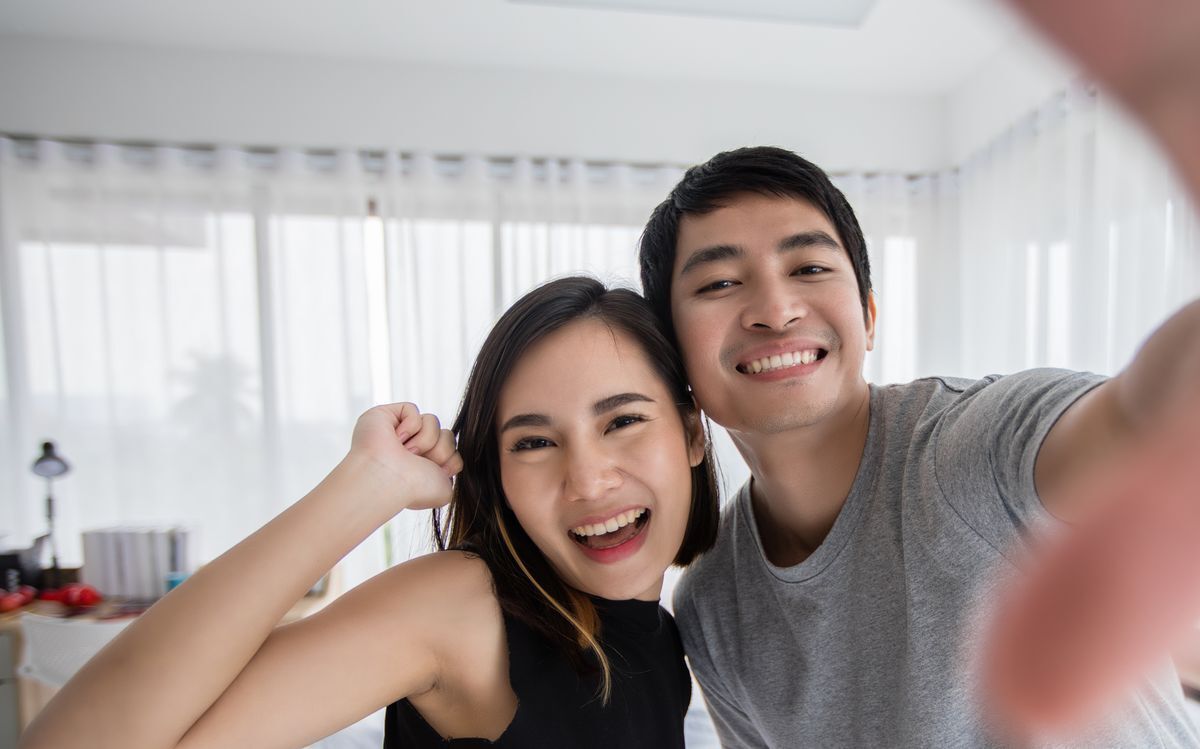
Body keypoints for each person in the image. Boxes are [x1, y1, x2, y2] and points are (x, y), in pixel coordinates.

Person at [637, 1, 1200, 736]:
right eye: (718, 283)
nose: (774, 310)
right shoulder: (713, 605)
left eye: (808, 265)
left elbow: (1133, 414)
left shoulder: (974, 446)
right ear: (672, 353)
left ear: (868, 314)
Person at [18, 276, 719, 749]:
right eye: (533, 441)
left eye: (622, 419)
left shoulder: (665, 641)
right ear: (496, 472)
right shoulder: (462, 607)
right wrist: (366, 485)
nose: (589, 479)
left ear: (691, 432)